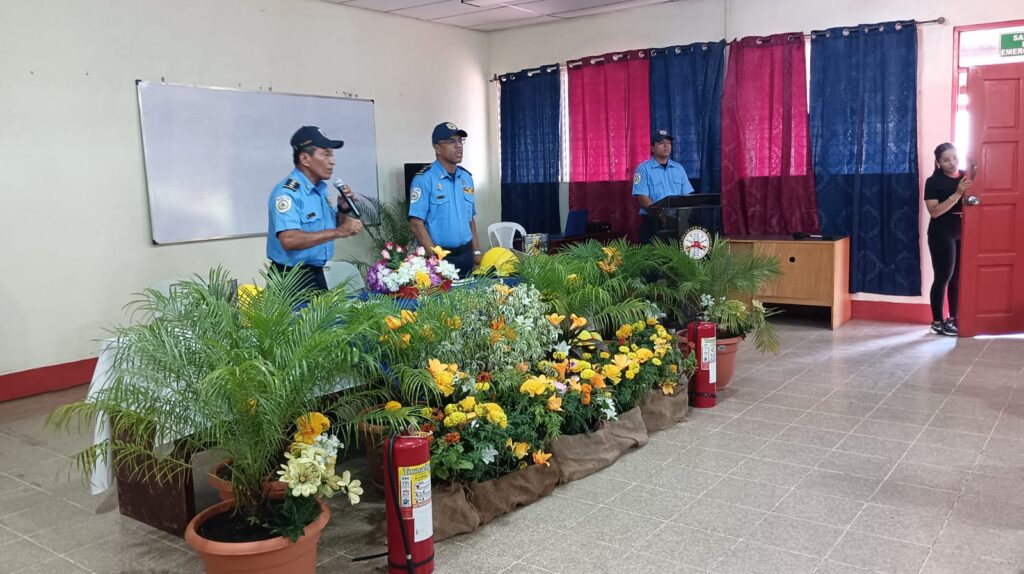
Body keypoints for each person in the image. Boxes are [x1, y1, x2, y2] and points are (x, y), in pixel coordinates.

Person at [267, 126, 364, 291]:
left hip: (316, 274)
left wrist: (343, 209)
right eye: (326, 154)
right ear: (305, 158)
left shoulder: (320, 190)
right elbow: (289, 240)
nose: (332, 161)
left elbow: (330, 227)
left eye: (332, 155)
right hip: (289, 279)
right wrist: (340, 232)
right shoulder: (287, 193)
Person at [408, 122, 481, 278]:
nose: (458, 146)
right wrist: (436, 260)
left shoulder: (466, 178)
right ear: (437, 148)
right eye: (451, 141)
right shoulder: (424, 179)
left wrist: (476, 251)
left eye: (460, 141)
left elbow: (470, 218)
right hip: (441, 260)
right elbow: (416, 224)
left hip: (466, 256)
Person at [924, 142, 972, 336]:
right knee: (943, 277)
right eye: (946, 160)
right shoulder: (933, 182)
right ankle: (937, 322)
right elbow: (934, 212)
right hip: (941, 233)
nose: (952, 163)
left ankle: (954, 319)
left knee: (957, 278)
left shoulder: (966, 176)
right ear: (938, 162)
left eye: (954, 157)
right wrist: (957, 194)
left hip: (963, 231)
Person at [632, 129, 695, 244]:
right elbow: (642, 198)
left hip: (678, 223)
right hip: (653, 224)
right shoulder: (642, 169)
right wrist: (661, 215)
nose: (666, 145)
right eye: (661, 143)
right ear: (652, 148)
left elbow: (687, 195)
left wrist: (683, 217)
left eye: (669, 142)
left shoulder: (679, 168)